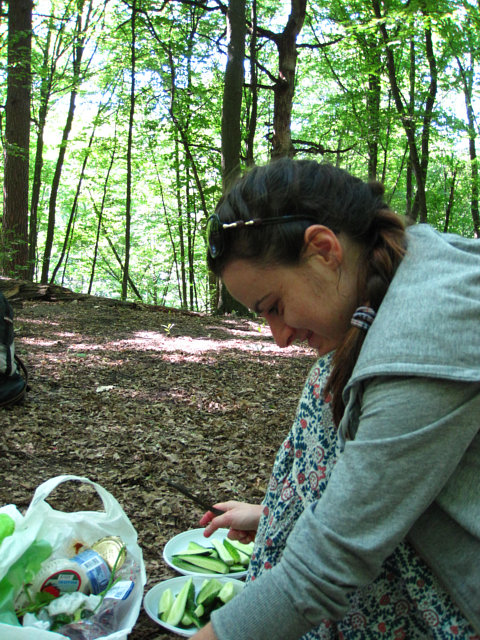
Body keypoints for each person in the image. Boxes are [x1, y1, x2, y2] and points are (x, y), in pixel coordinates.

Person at [190, 158, 480, 640]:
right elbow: (390, 479)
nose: (279, 337)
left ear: (324, 249)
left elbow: (327, 567)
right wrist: (274, 515)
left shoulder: (425, 341)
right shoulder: (404, 267)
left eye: (274, 307)